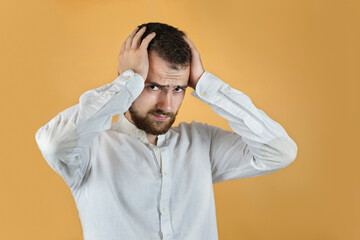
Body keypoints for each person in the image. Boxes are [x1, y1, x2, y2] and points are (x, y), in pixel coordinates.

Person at [35, 22, 297, 240]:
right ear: (128, 78)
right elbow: (53, 143)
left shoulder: (201, 144)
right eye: (153, 87)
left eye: (178, 89)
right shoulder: (90, 150)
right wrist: (125, 83)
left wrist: (205, 83)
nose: (167, 105)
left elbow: (280, 151)